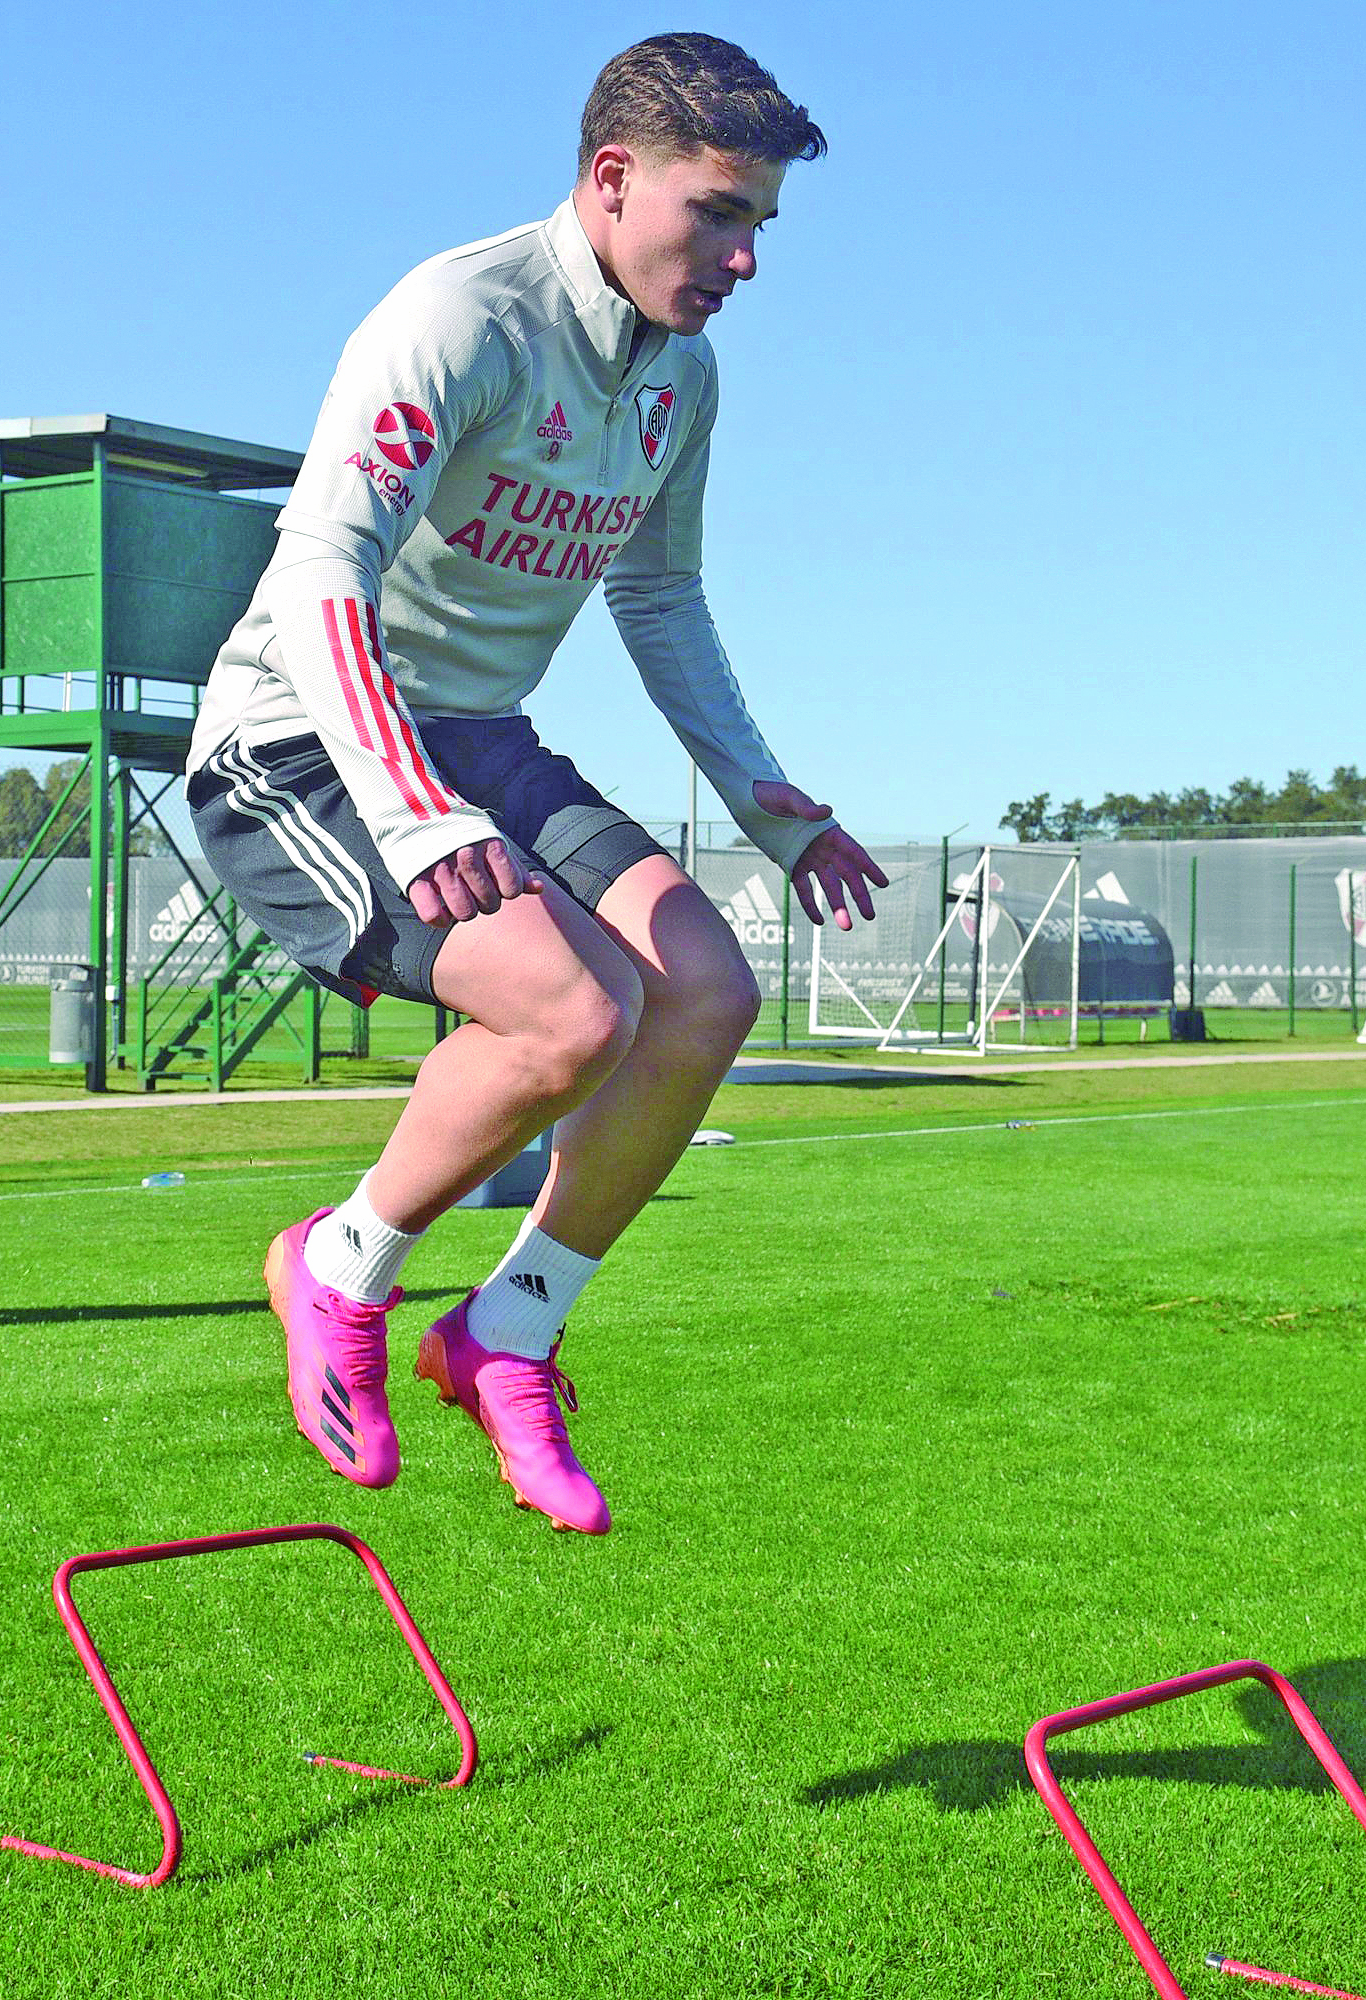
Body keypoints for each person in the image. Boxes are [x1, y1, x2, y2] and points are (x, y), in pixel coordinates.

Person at [186, 33, 885, 1535]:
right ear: (613, 179)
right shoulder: (461, 316)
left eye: (763, 223)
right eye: (720, 213)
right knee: (572, 1011)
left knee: (702, 990)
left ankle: (506, 1330)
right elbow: (320, 570)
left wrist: (770, 801)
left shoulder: (681, 377)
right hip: (300, 735)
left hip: (480, 734)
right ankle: (339, 1268)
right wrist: (408, 807)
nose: (747, 257)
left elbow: (664, 601)